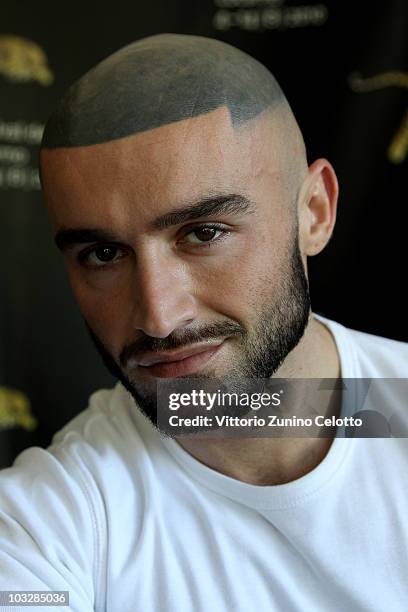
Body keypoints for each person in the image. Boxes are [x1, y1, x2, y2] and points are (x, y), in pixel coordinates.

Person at [0, 33, 407, 612]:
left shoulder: (395, 405)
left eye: (204, 233)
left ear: (314, 212)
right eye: (103, 254)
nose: (160, 318)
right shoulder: (56, 518)